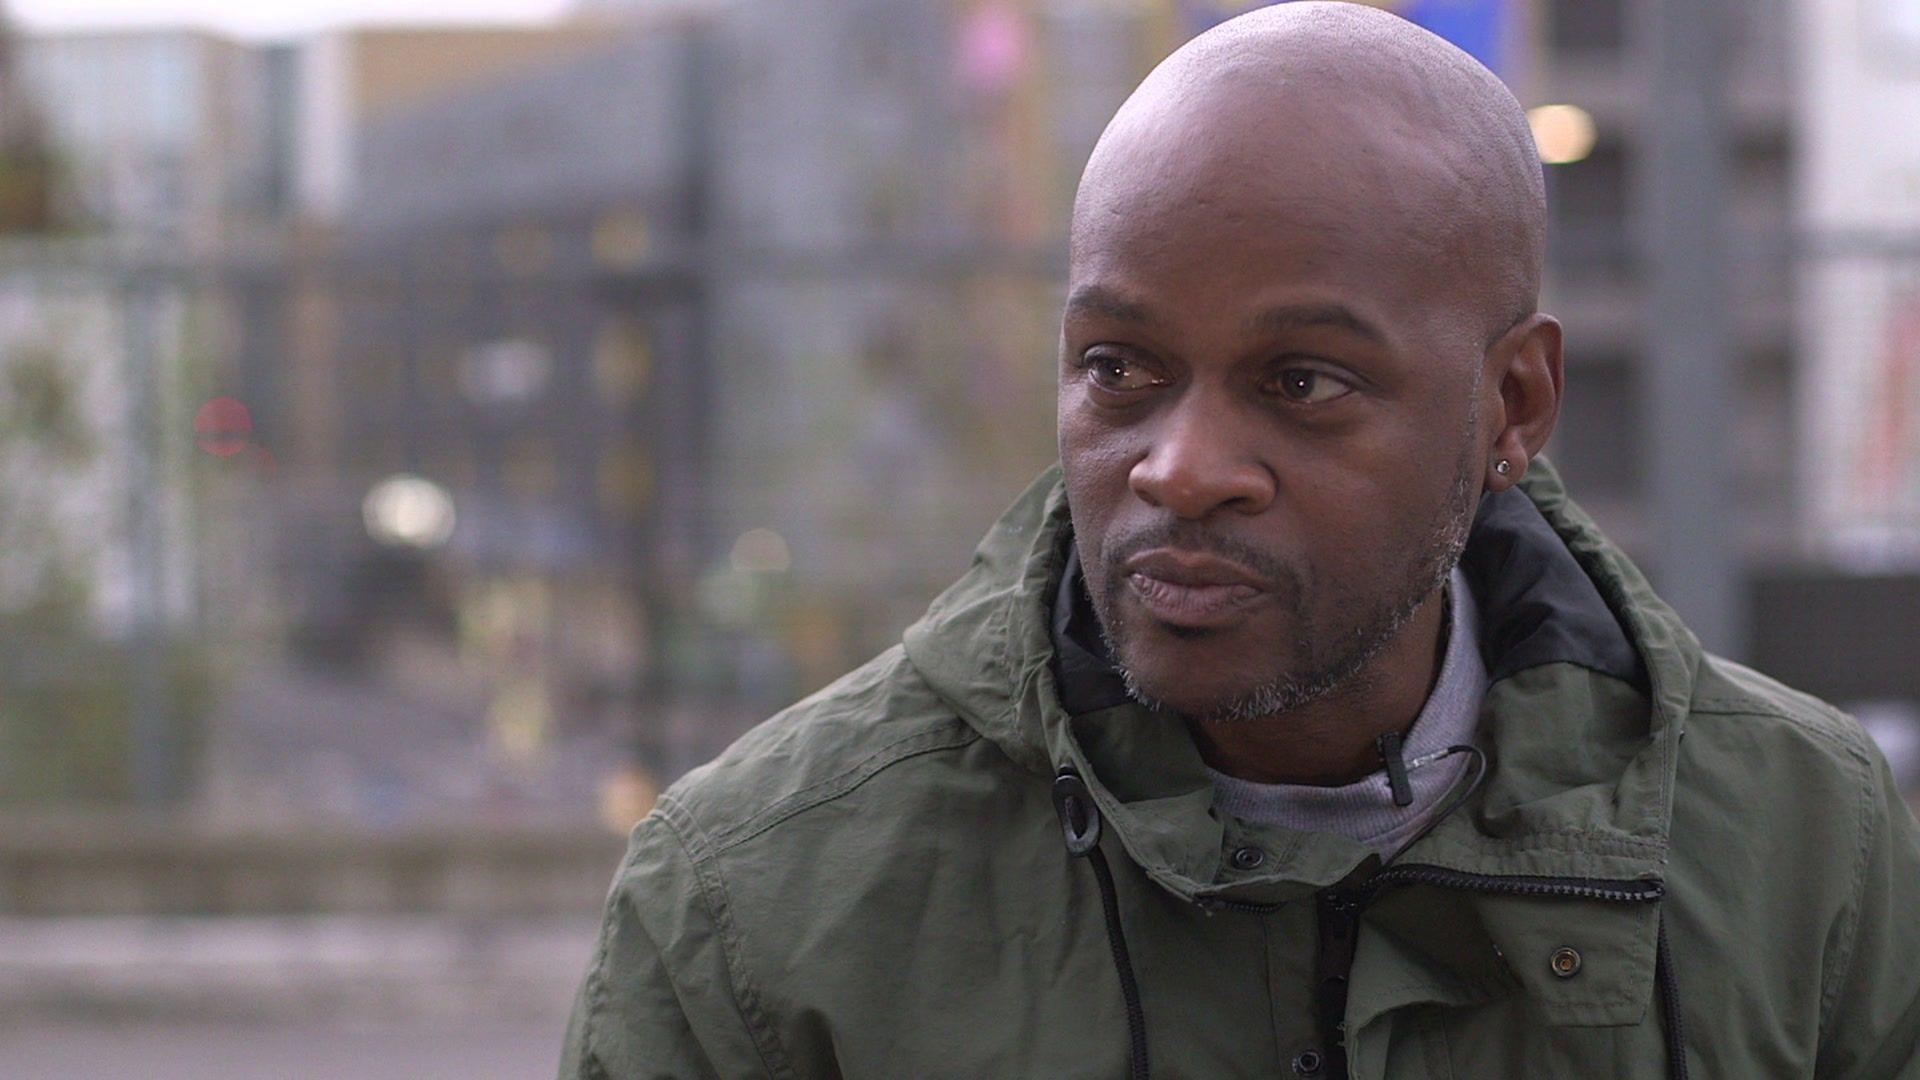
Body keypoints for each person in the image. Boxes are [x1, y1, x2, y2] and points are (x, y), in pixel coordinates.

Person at [560, 4, 1920, 1077]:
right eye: (1119, 367)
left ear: (1514, 405)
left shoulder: (1802, 848)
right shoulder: (756, 901)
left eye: (1303, 382)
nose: (1183, 468)